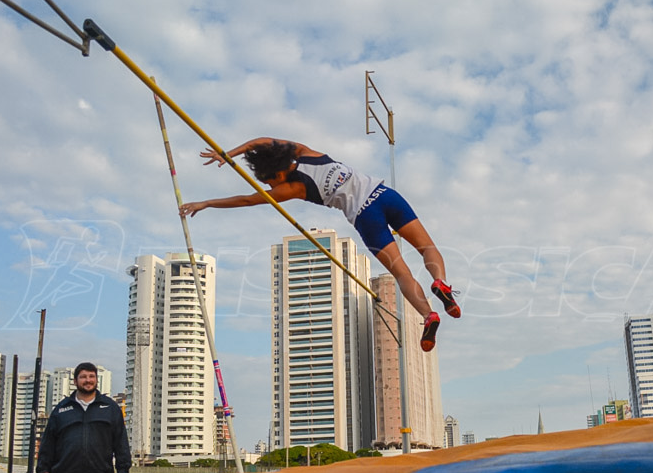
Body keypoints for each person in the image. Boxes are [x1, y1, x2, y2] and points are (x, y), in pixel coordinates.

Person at [180, 137, 461, 351]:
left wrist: (206, 203)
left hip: (366, 217)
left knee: (402, 273)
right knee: (427, 248)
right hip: (385, 195)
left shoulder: (291, 188)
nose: (268, 185)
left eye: (267, 180)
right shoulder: (305, 152)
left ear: (275, 174)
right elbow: (263, 141)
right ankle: (441, 282)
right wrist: (228, 153)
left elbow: (245, 200)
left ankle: (428, 315)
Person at [36, 362, 131, 473]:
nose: (88, 380)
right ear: (75, 381)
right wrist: (43, 471)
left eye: (92, 376)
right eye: (83, 377)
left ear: (96, 380)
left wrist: (122, 471)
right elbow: (48, 443)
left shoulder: (110, 408)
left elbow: (121, 442)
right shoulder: (61, 409)